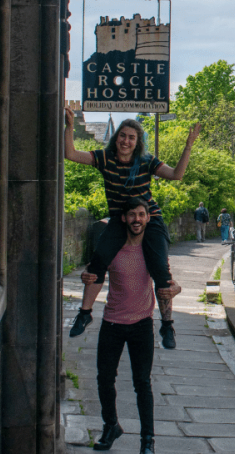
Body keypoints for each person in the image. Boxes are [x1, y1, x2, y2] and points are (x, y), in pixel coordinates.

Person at [64, 109, 200, 349]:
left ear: (138, 142)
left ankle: (167, 325)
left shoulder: (147, 161)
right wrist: (69, 125)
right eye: (122, 136)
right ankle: (85, 313)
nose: (126, 141)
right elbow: (71, 154)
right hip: (120, 219)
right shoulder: (104, 158)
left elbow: (176, 175)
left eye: (131, 137)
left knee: (160, 270)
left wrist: (188, 146)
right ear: (117, 137)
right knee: (99, 260)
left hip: (149, 219)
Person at [85, 198, 181, 453]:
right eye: (132, 215)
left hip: (141, 325)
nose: (136, 219)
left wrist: (176, 290)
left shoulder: (152, 250)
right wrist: (87, 276)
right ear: (124, 218)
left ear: (148, 218)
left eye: (141, 214)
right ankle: (111, 427)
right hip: (112, 323)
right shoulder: (112, 246)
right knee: (105, 379)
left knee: (143, 384)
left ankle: (147, 441)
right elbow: (94, 273)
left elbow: (169, 283)